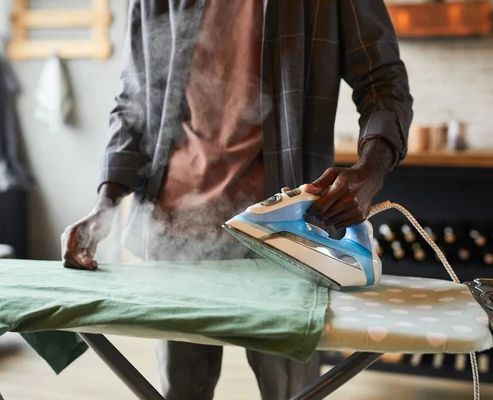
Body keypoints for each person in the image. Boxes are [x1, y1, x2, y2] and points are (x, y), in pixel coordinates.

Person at [61, 0, 413, 399]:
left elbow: (382, 81)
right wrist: (104, 205)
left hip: (286, 232)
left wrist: (370, 171)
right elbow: (135, 101)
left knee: (290, 390)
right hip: (178, 230)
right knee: (182, 389)